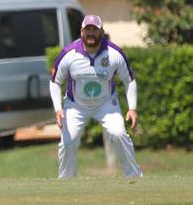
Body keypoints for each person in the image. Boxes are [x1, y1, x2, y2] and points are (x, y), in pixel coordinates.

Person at [49, 14, 142, 178]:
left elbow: (129, 80)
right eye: (87, 29)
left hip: (106, 104)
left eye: (95, 29)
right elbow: (55, 82)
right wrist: (58, 109)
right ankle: (66, 182)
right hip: (75, 105)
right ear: (81, 31)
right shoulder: (68, 54)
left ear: (102, 32)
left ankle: (134, 177)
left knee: (119, 134)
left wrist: (132, 108)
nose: (91, 33)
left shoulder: (114, 53)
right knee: (68, 142)